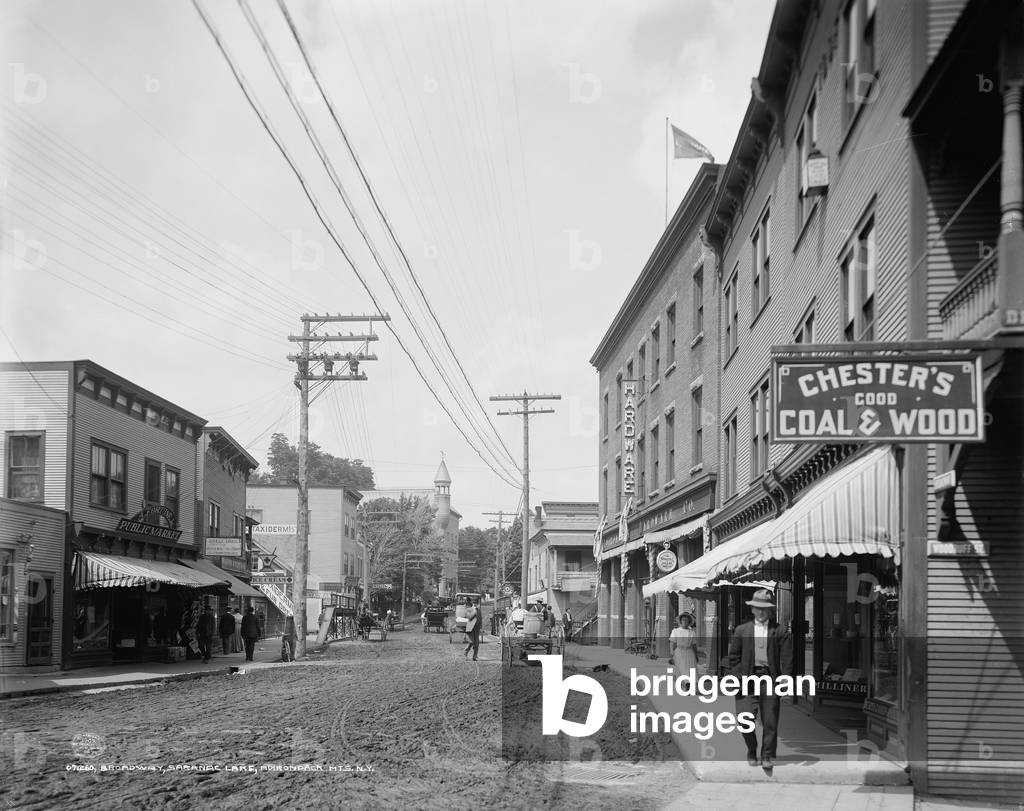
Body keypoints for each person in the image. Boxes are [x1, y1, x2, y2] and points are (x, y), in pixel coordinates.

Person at [727, 589, 793, 771]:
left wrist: (786, 678)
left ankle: (766, 755)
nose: (761, 612)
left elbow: (787, 658)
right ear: (753, 609)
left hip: (770, 679)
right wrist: (740, 676)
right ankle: (751, 749)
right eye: (758, 608)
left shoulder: (780, 631)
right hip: (747, 679)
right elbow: (733, 657)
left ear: (770, 610)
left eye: (765, 608)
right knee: (744, 719)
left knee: (770, 720)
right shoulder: (742, 631)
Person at [670, 613, 699, 683]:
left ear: (689, 622)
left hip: (689, 652)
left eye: (686, 620)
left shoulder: (692, 633)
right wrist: (672, 653)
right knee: (682, 669)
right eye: (683, 620)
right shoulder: (675, 631)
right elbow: (672, 643)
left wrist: (696, 655)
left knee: (690, 670)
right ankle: (685, 684)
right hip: (679, 652)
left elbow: (694, 645)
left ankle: (688, 684)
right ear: (680, 621)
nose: (685, 622)